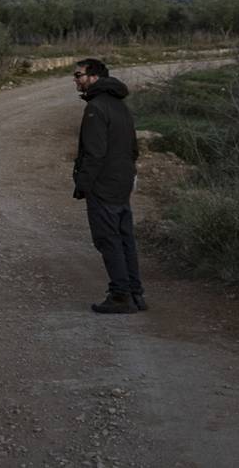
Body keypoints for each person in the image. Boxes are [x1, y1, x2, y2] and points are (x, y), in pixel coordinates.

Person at [72, 58, 145, 313]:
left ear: (94, 77)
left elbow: (94, 153)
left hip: (104, 184)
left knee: (108, 239)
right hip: (122, 182)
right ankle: (135, 294)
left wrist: (83, 184)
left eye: (78, 75)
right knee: (125, 239)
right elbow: (133, 148)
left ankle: (121, 295)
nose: (76, 81)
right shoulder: (120, 105)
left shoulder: (96, 108)